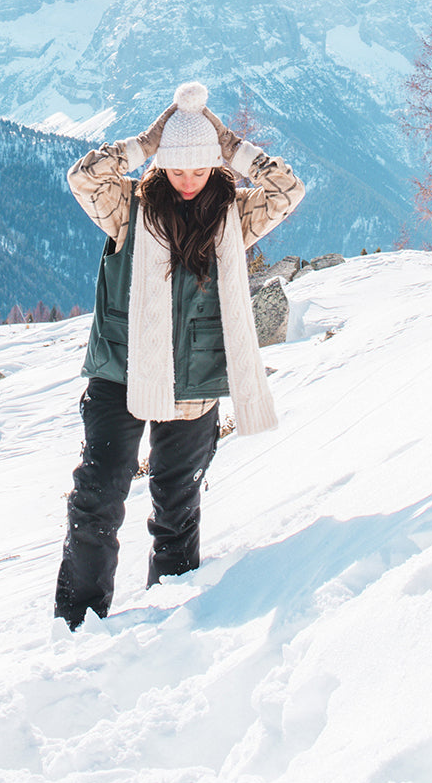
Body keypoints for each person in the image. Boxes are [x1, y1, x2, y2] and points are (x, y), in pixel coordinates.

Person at [54, 81, 305, 629]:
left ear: (216, 167)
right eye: (176, 169)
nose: (188, 182)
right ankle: (76, 623)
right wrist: (144, 144)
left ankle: (169, 619)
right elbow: (83, 177)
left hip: (195, 378)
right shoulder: (128, 208)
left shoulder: (233, 215)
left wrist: (233, 146)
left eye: (200, 169)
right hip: (120, 374)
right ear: (161, 166)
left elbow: (289, 189)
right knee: (98, 497)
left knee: (177, 504)